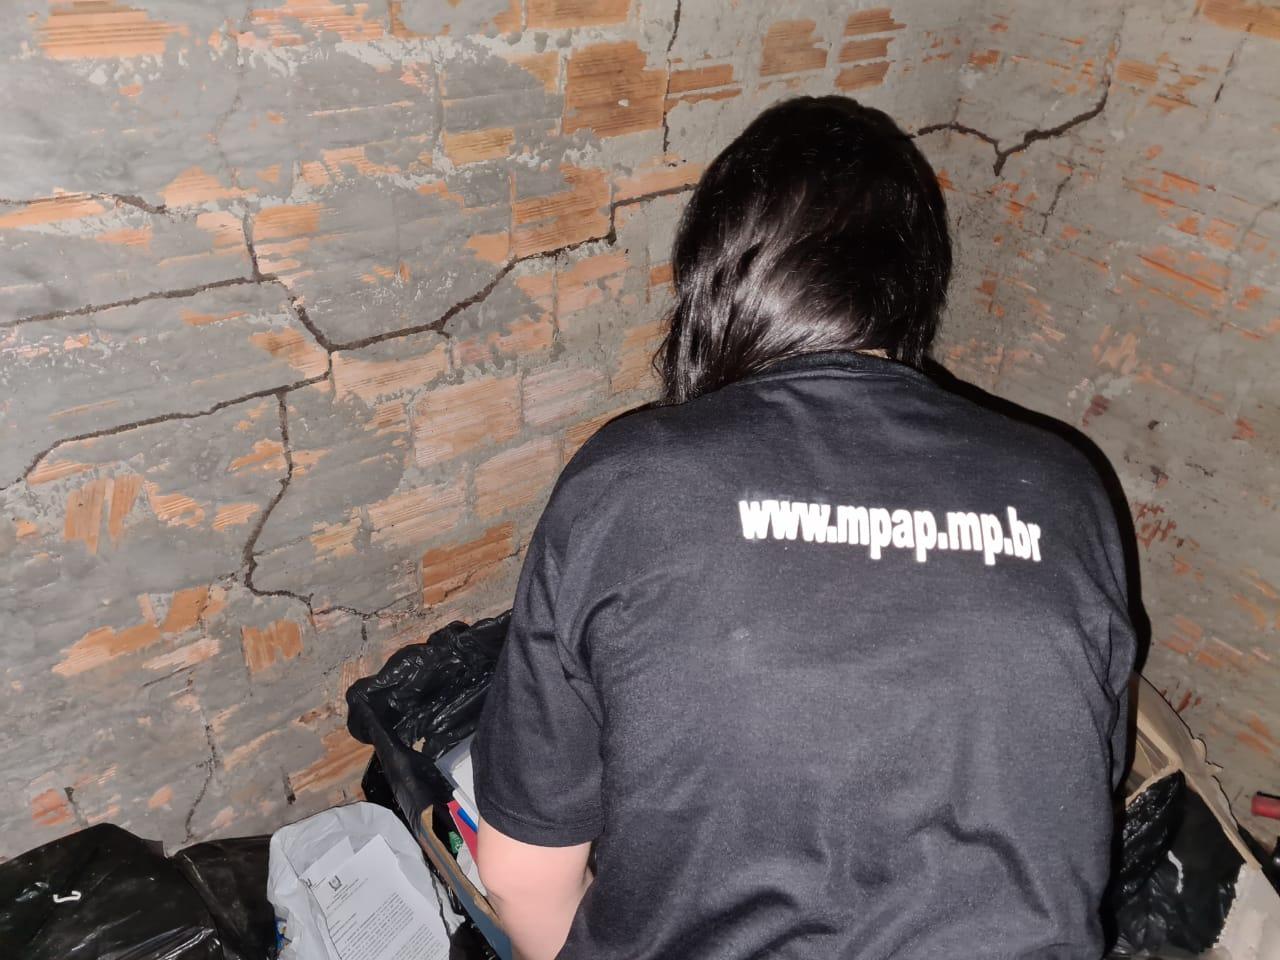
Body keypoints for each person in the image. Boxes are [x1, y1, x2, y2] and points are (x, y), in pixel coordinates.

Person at [470, 95, 1136, 960]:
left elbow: (523, 878)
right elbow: (1084, 790)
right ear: (913, 284)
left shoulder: (624, 486)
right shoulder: (1067, 487)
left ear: (716, 277)